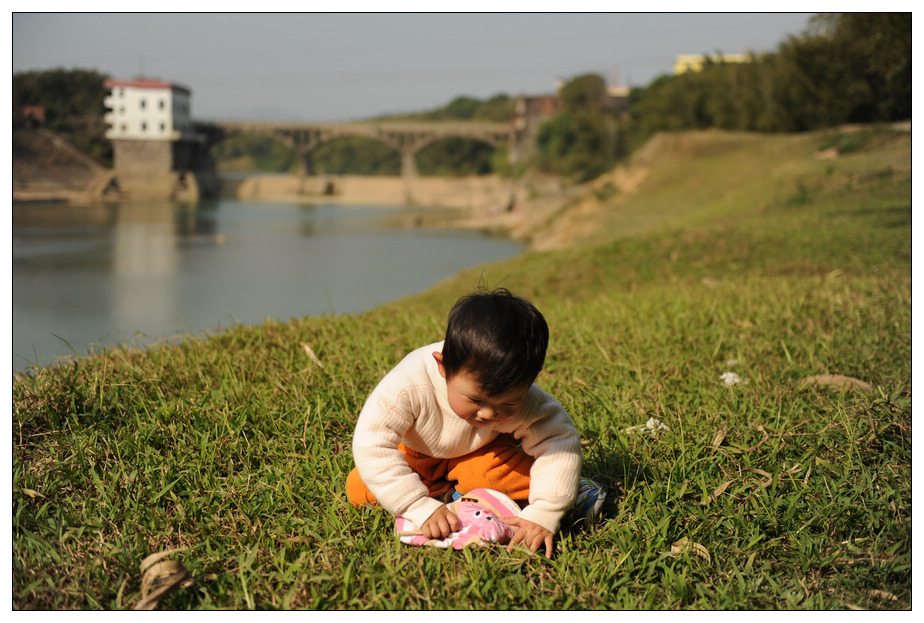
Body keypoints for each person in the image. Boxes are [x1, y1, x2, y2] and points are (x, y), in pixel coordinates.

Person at [347, 288, 602, 557]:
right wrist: (417, 505)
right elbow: (371, 444)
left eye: (507, 405)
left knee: (488, 476)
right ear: (443, 367)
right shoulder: (408, 385)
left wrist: (547, 511)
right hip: (419, 453)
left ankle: (576, 492)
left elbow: (557, 441)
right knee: (359, 489)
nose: (488, 415)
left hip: (482, 453)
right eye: (475, 400)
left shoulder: (520, 393)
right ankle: (448, 496)